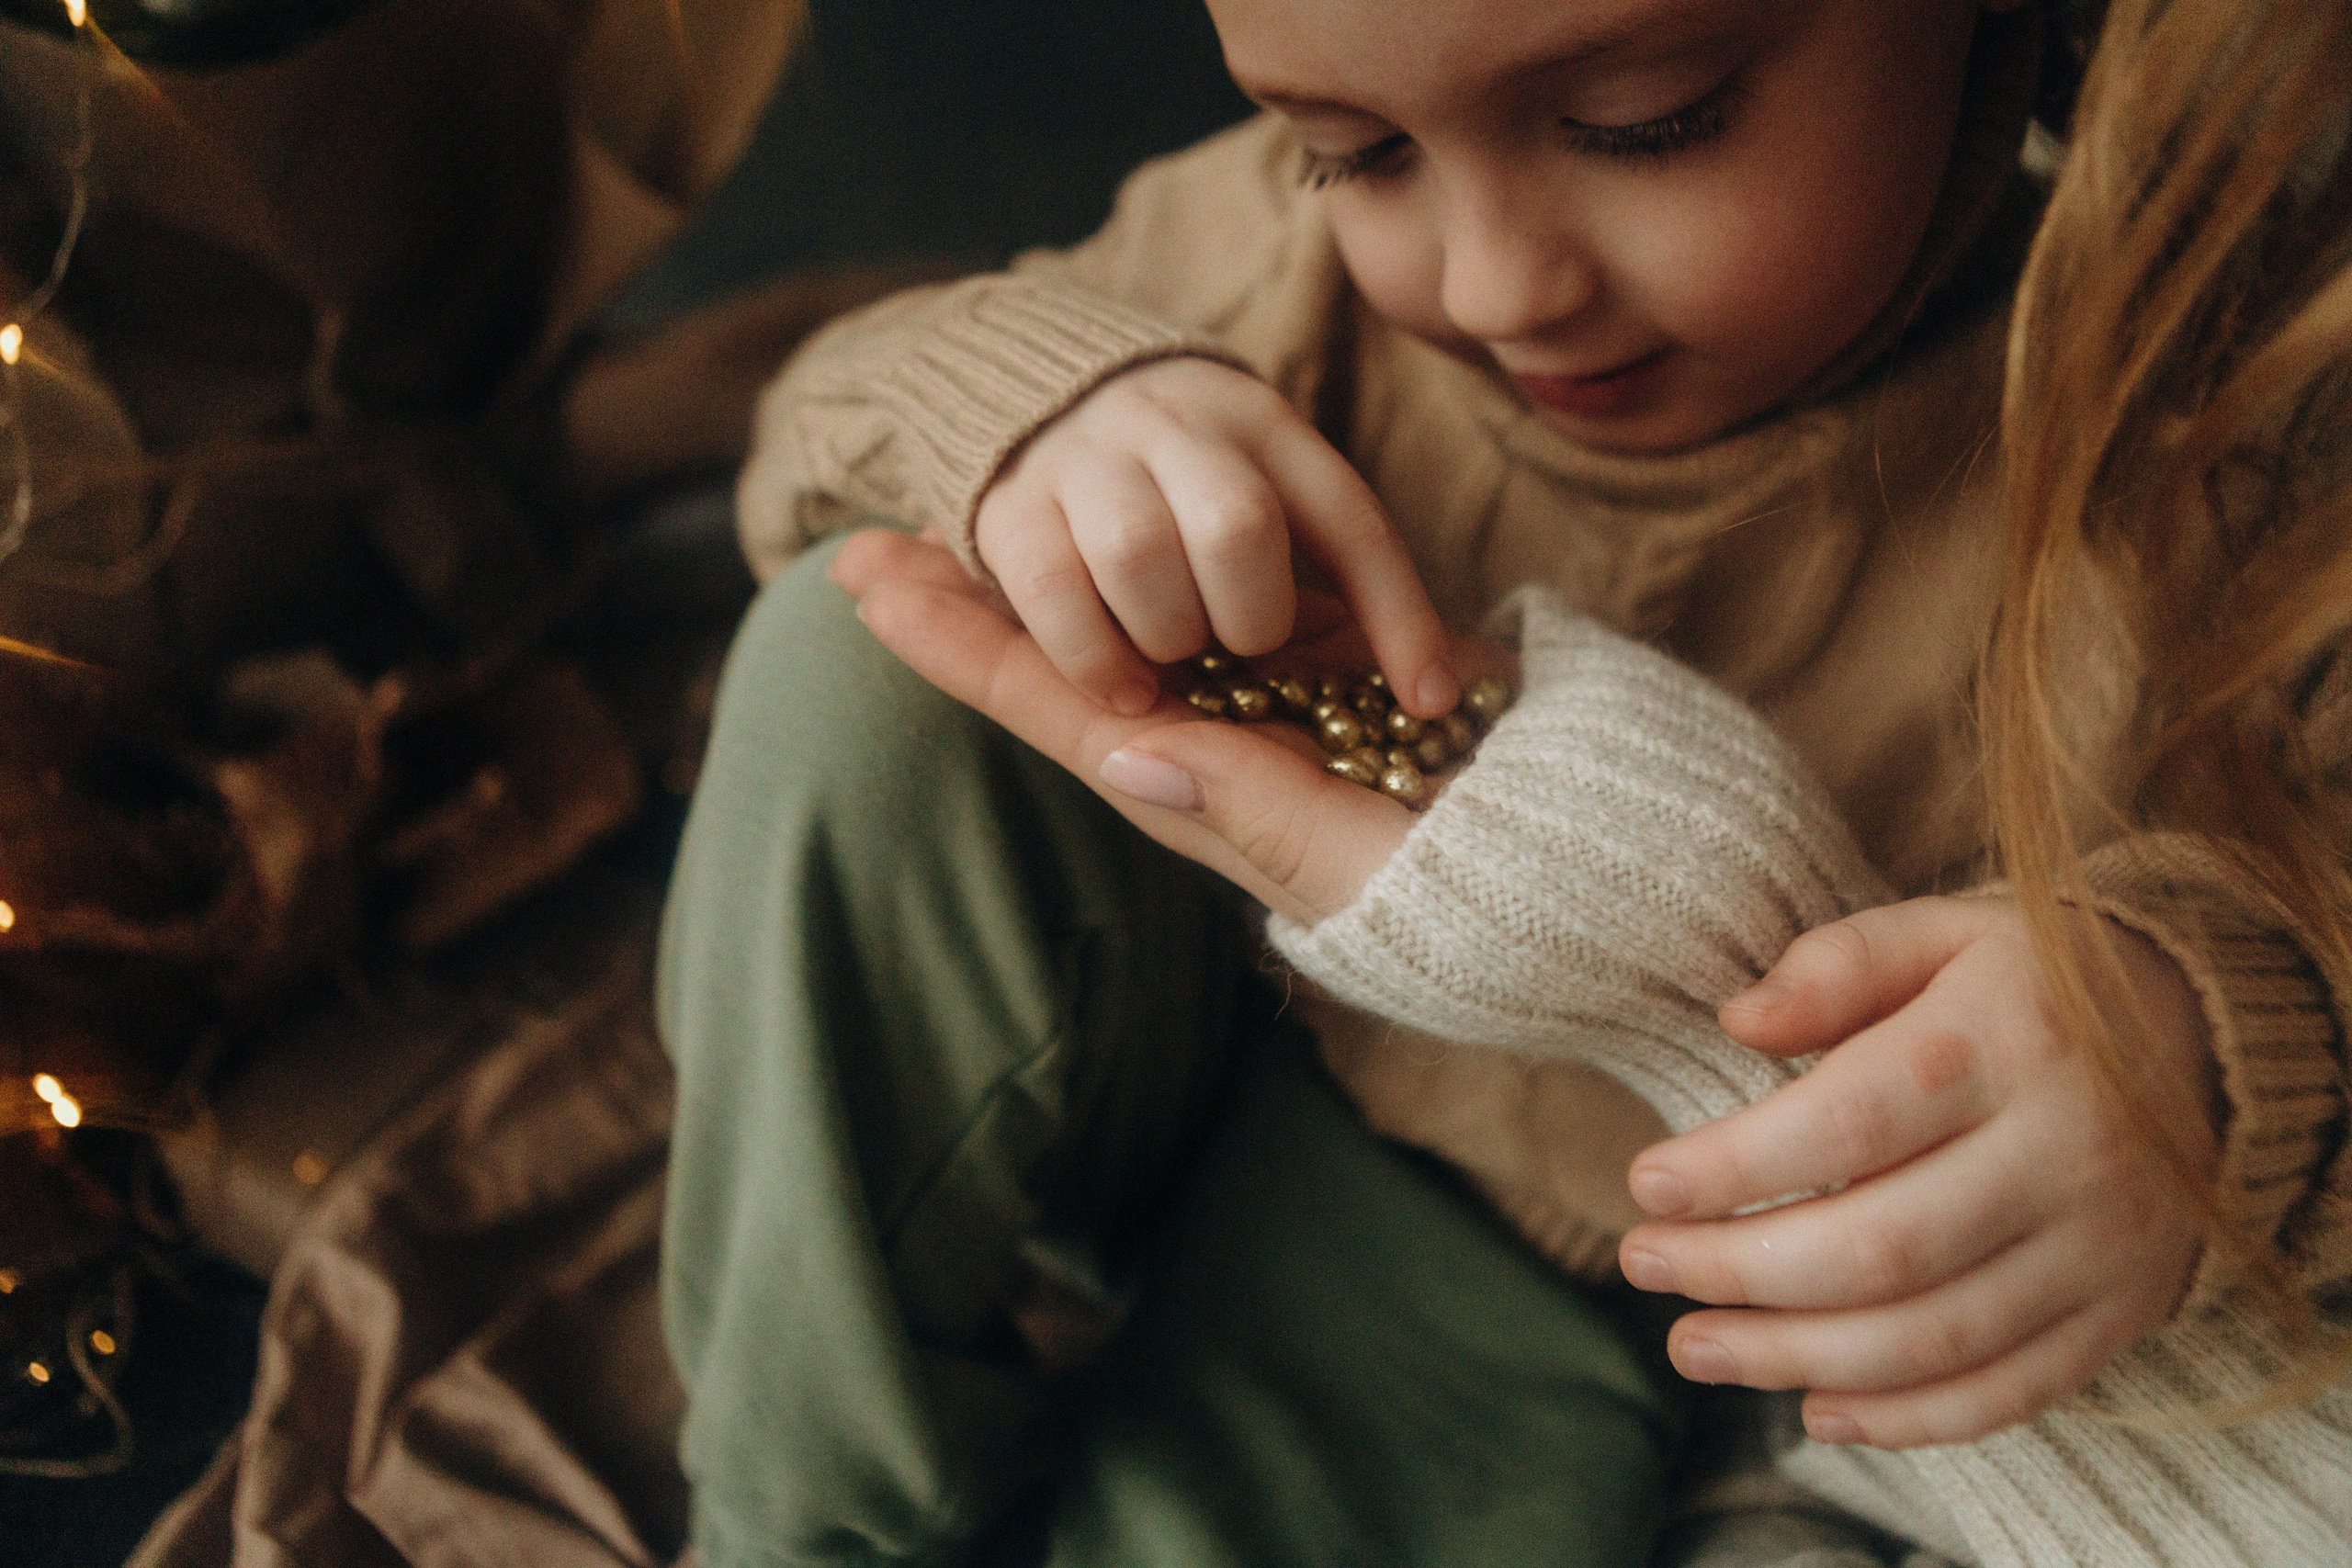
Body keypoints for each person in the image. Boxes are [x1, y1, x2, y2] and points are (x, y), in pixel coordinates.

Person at [672, 0, 2352, 1562]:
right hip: (1369, 1154)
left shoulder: (2239, 389)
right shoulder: (1272, 260)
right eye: (1355, 152)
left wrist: (2206, 1046)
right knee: (858, 643)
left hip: (1995, 1352)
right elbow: (813, 440)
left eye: (1646, 122)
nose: (1492, 286)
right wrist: (1031, 410)